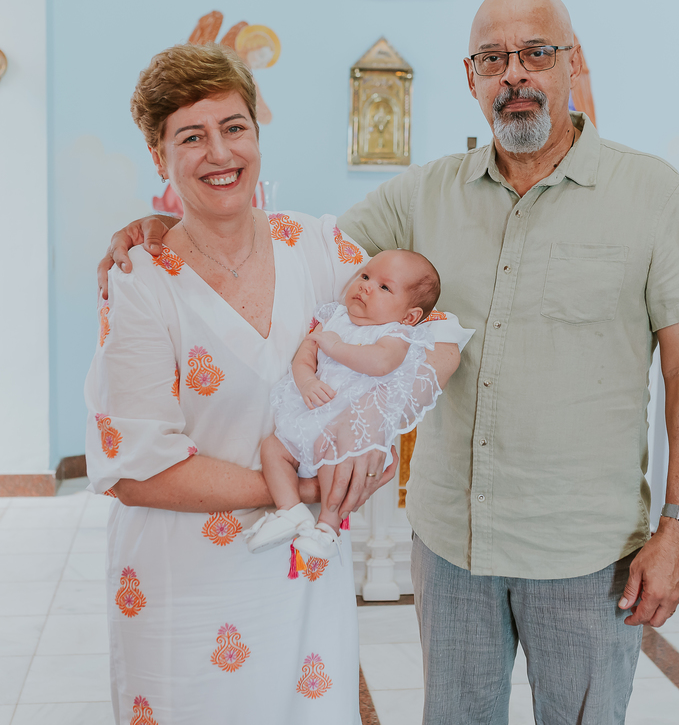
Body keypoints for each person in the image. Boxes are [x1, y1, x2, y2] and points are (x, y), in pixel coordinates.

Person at [99, 0, 679, 725]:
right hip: (451, 543)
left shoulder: (650, 193)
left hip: (583, 547)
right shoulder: (423, 195)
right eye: (493, 58)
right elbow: (276, 240)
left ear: (570, 64)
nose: (514, 74)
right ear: (471, 78)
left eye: (535, 53)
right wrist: (159, 218)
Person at [86, 42, 461, 724]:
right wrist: (302, 489)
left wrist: (369, 438)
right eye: (191, 136)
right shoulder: (142, 280)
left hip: (303, 584)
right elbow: (133, 469)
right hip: (184, 589)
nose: (220, 153)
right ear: (158, 155)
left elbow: (421, 342)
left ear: (258, 131)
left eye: (234, 127)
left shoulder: (317, 248)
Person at [246, 249, 473, 559]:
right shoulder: (334, 317)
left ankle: (327, 525)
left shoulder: (396, 334)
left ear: (409, 316)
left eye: (384, 287)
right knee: (273, 449)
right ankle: (290, 511)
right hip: (310, 412)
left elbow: (381, 363)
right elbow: (306, 353)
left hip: (345, 424)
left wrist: (337, 347)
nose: (366, 286)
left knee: (338, 467)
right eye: (365, 276)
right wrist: (307, 381)